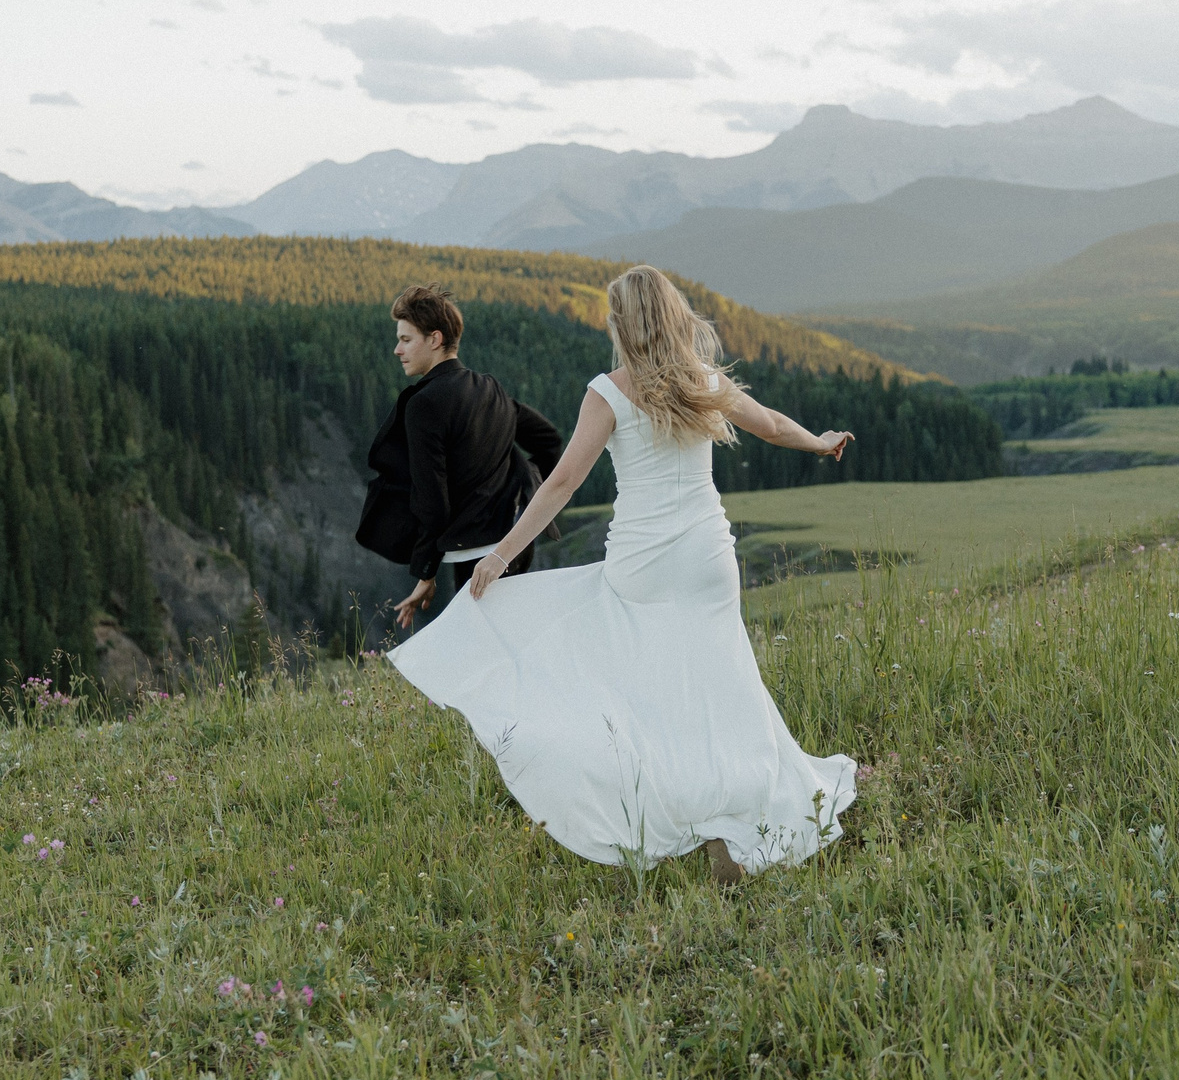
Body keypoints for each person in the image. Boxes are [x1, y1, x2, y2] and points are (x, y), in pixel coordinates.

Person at [387, 265, 858, 886]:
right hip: (710, 561)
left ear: (623, 323)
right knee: (724, 689)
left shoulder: (608, 392)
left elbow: (560, 483)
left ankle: (676, 814)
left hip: (643, 566)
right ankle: (732, 828)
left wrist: (501, 554)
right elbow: (770, 424)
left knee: (643, 694)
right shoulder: (704, 381)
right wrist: (820, 441)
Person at [354, 284, 565, 631]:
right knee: (506, 644)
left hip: (474, 556)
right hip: (514, 544)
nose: (397, 349)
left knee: (482, 657)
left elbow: (431, 500)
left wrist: (425, 571)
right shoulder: (489, 387)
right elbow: (548, 441)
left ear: (434, 339)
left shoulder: (424, 403)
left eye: (406, 339)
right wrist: (518, 499)